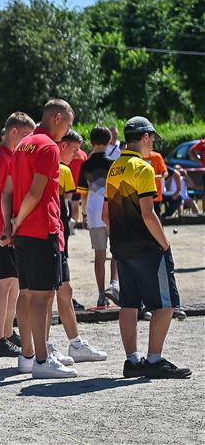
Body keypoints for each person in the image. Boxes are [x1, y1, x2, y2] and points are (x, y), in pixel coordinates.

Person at [103, 117, 190, 379]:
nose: (153, 143)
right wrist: (164, 243)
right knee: (166, 305)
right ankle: (154, 360)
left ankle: (131, 361)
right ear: (143, 137)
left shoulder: (115, 167)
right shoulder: (143, 168)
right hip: (146, 246)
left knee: (128, 304)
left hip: (121, 246)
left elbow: (106, 215)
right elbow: (148, 213)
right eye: (152, 138)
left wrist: (117, 240)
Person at [0, 99, 77, 379]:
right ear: (57, 118)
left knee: (28, 292)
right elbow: (36, 192)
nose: (67, 131)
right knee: (43, 297)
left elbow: (8, 190)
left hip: (23, 232)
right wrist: (18, 221)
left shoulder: (22, 145)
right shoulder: (47, 147)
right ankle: (43, 362)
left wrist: (11, 225)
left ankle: (29, 355)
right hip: (41, 227)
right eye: (67, 124)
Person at [0, 112, 35, 357]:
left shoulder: (10, 157)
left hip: (10, 232)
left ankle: (7, 333)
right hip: (2, 233)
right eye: (25, 135)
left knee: (13, 283)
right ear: (13, 132)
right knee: (3, 284)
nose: (28, 141)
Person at [54, 130, 108, 364]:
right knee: (46, 294)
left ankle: (73, 342)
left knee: (64, 290)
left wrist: (78, 218)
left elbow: (69, 203)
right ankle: (44, 348)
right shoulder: (59, 169)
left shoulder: (67, 169)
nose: (77, 155)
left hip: (59, 234)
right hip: (49, 235)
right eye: (74, 150)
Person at [77, 126, 119, 307]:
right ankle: (114, 285)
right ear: (110, 141)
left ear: (91, 142)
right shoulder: (113, 164)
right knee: (116, 251)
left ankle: (101, 294)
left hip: (94, 212)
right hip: (112, 211)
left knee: (99, 254)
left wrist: (84, 215)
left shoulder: (85, 165)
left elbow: (84, 195)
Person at [66, 146, 87, 230]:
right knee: (75, 205)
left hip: (67, 183)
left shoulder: (67, 152)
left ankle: (66, 224)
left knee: (66, 204)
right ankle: (73, 226)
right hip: (79, 184)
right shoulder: (83, 154)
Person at [145, 149, 168, 217]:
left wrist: (154, 177)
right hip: (141, 195)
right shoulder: (138, 156)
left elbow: (165, 173)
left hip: (155, 194)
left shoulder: (157, 156)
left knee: (156, 217)